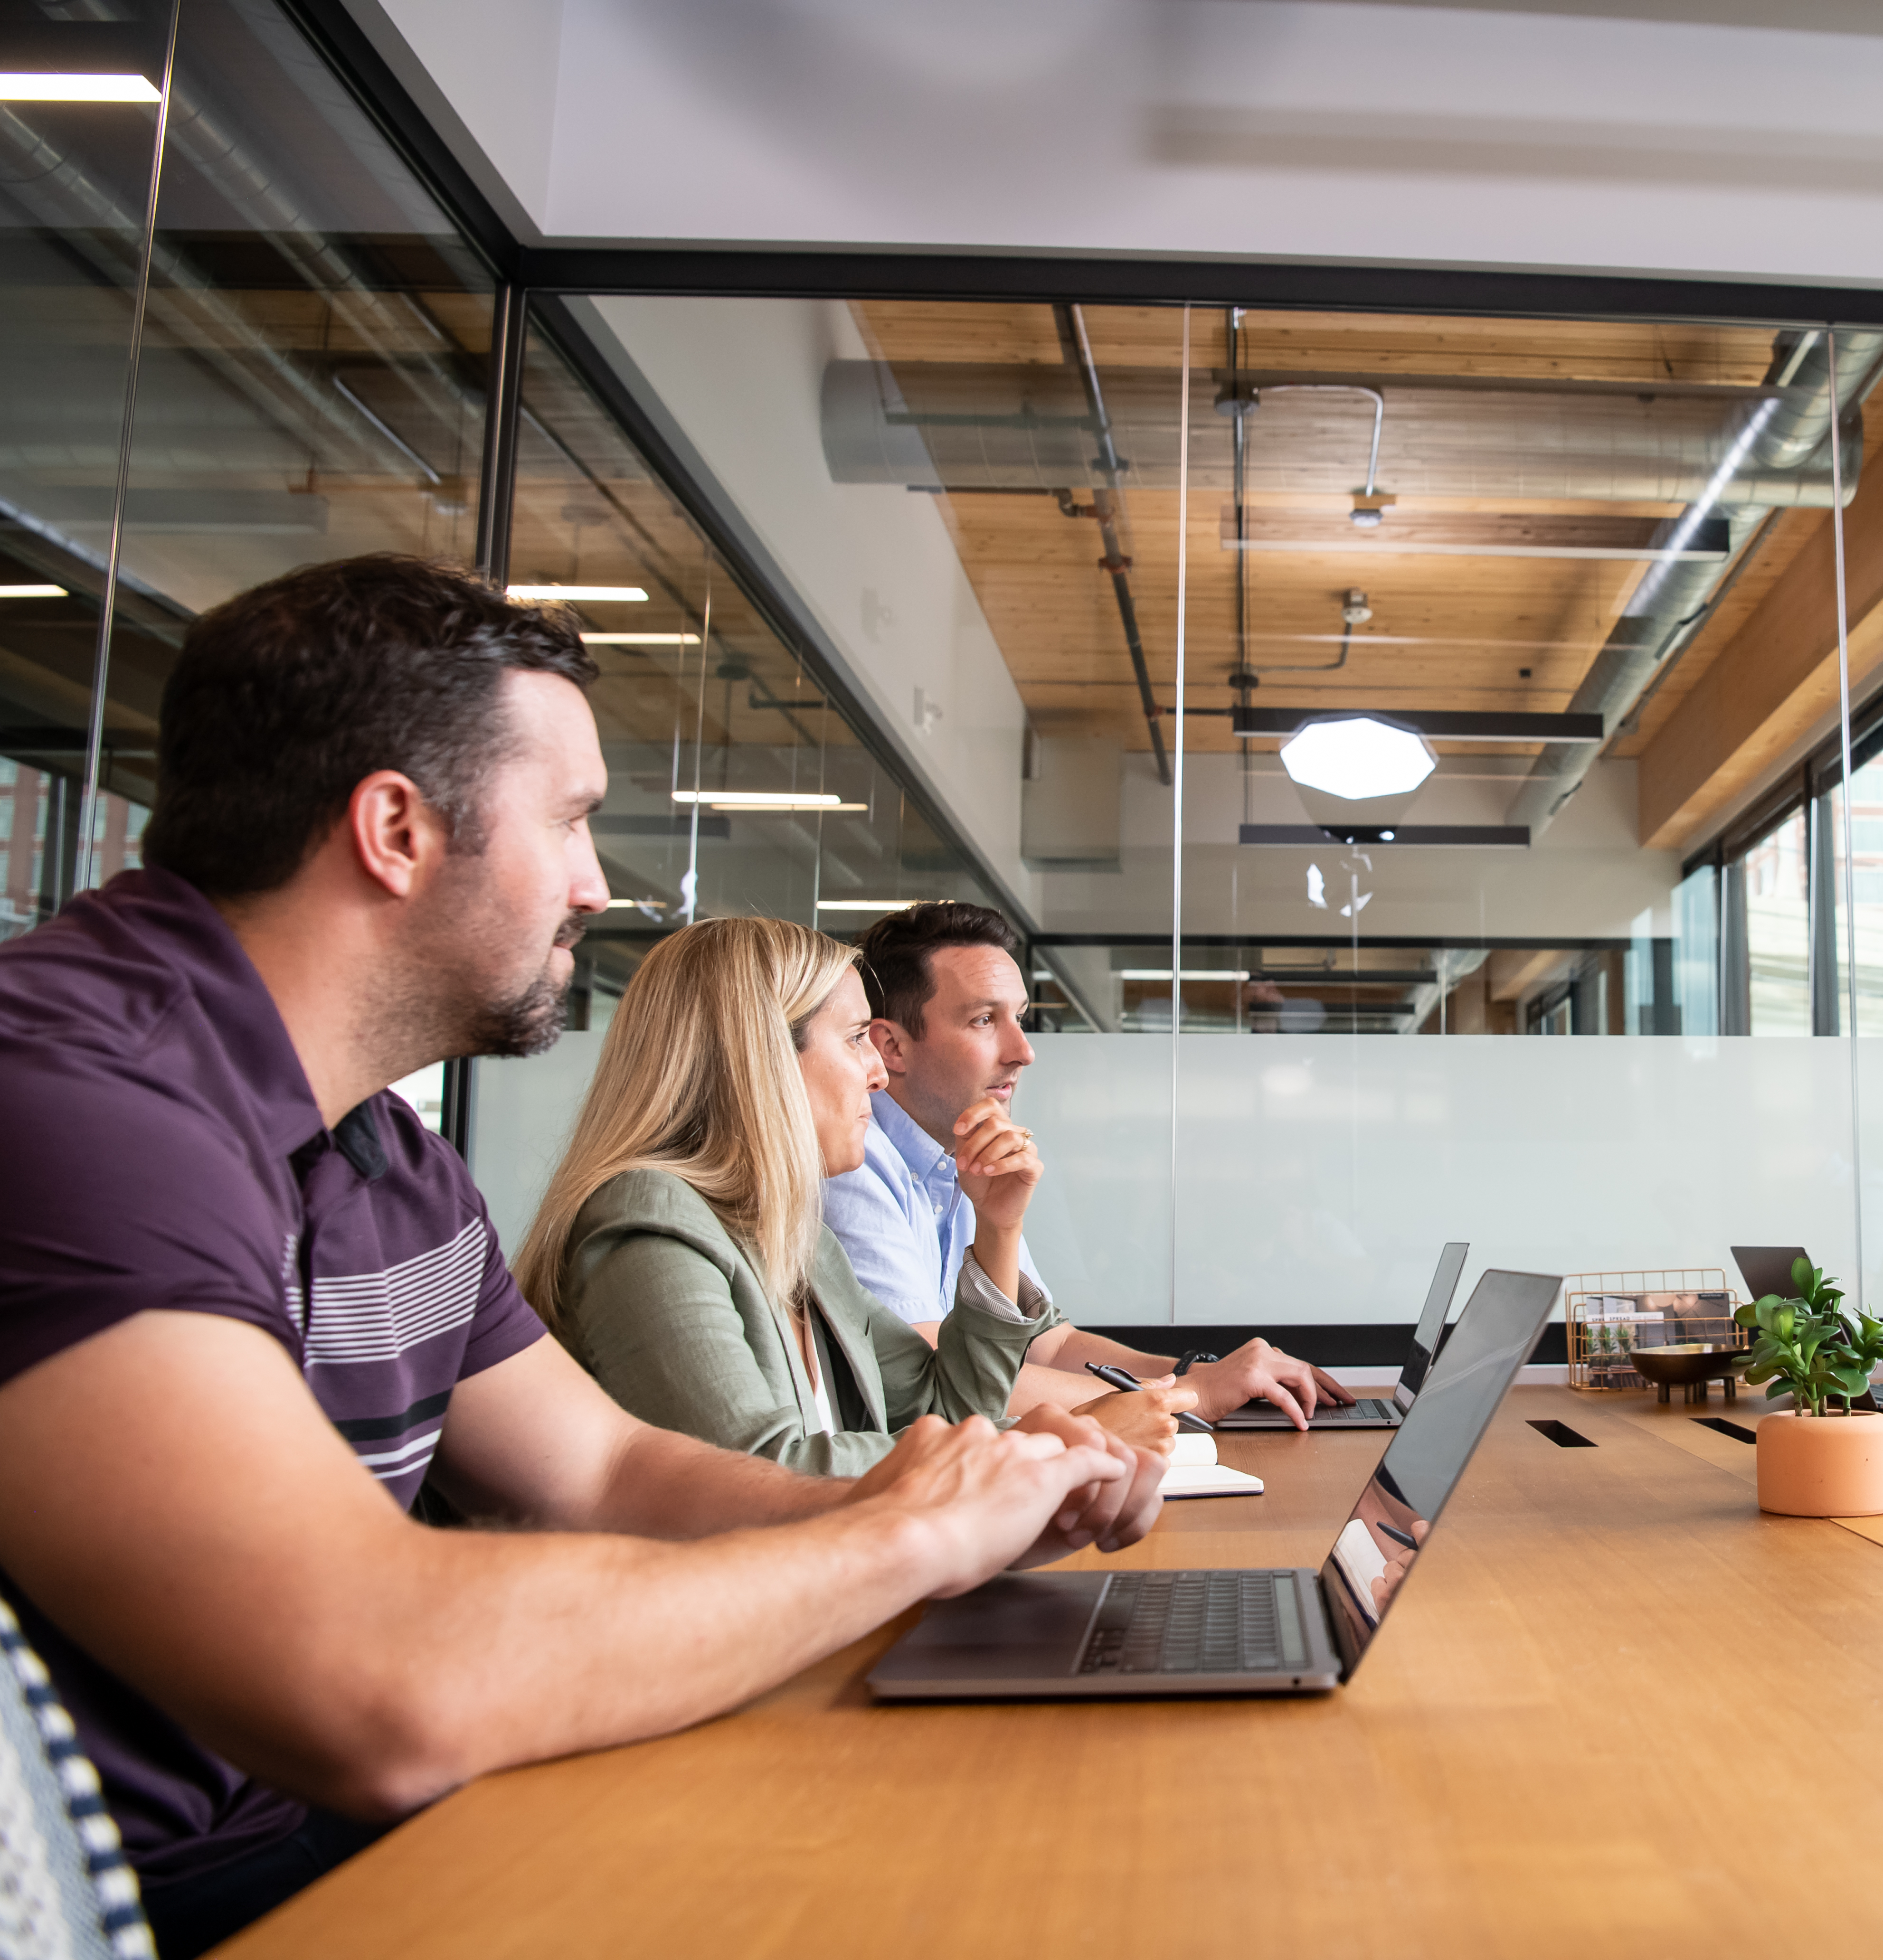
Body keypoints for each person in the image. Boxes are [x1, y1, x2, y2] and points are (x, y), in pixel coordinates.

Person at [0, 557, 1160, 1957]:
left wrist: (967, 1491)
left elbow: (608, 1465)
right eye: (569, 822)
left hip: (327, 1841)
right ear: (396, 829)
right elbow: (378, 1681)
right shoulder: (75, 1101)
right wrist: (904, 1534)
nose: (597, 887)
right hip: (183, 1898)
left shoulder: (383, 1149)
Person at [520, 917, 1193, 1468]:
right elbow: (759, 1473)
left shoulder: (793, 1239)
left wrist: (997, 1228)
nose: (878, 1072)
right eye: (854, 1040)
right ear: (763, 1060)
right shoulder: (652, 1217)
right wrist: (1046, 1445)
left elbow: (944, 1407)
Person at [822, 900, 1351, 1427]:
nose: (1023, 1050)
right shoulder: (852, 1164)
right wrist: (1189, 1395)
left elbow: (1048, 1347)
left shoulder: (959, 1158)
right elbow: (949, 1381)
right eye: (984, 1020)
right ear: (891, 1046)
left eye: (1020, 1018)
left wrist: (1199, 1373)